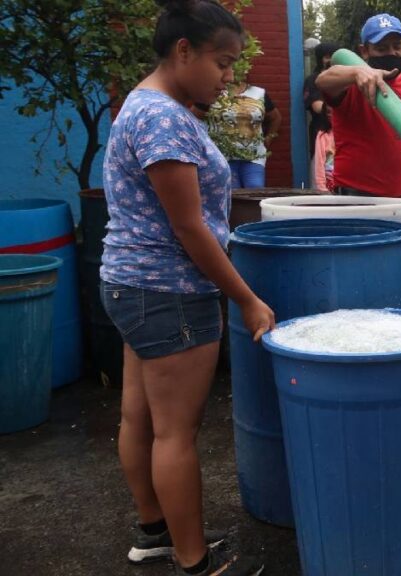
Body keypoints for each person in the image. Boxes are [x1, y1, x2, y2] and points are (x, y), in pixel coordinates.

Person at [100, 1, 274, 575]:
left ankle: (154, 532)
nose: (228, 77)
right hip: (169, 290)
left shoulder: (143, 105)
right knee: (176, 431)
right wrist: (246, 299)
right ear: (183, 51)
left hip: (131, 284)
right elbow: (189, 226)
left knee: (141, 418)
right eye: (222, 63)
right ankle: (196, 561)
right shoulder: (165, 118)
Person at [316, 13, 401, 197]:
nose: (392, 53)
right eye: (382, 48)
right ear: (365, 51)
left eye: (397, 46)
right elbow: (322, 80)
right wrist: (356, 73)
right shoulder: (352, 83)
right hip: (358, 200)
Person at [206, 77, 281, 188]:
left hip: (254, 156)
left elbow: (275, 117)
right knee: (233, 194)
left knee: (255, 190)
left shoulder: (259, 93)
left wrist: (269, 138)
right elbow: (196, 115)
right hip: (224, 156)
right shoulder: (216, 91)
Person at [304, 41, 339, 156]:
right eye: (328, 57)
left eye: (334, 56)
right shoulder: (313, 80)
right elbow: (318, 107)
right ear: (320, 59)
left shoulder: (344, 78)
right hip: (322, 134)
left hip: (342, 134)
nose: (331, 61)